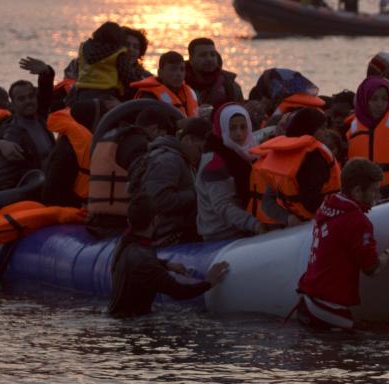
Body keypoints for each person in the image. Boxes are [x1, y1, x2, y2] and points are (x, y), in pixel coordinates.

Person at [295, 159, 389, 330]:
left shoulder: (328, 205)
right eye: (374, 191)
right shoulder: (357, 221)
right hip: (329, 311)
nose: (377, 197)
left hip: (308, 304)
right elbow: (372, 269)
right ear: (356, 191)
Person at [107, 194, 230, 318]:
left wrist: (166, 264)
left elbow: (136, 263)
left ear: (129, 221)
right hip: (132, 326)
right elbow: (178, 291)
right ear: (155, 221)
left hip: (119, 318)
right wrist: (208, 282)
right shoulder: (144, 260)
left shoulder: (123, 242)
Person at [248, 107, 341, 225]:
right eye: (322, 128)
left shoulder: (279, 155)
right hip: (319, 221)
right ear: (310, 130)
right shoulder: (315, 159)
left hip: (295, 226)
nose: (326, 132)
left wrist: (288, 218)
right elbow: (311, 201)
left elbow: (267, 203)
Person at [196, 104, 268, 241]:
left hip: (242, 225)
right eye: (232, 128)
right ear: (222, 129)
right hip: (221, 233)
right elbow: (223, 205)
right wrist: (255, 224)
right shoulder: (214, 161)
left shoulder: (249, 151)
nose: (239, 133)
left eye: (243, 127)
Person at [0, 58, 56, 190]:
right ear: (12, 105)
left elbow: (46, 94)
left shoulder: (40, 118)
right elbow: (3, 177)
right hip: (31, 191)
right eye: (21, 99)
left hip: (49, 183)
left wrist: (46, 72)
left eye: (31, 96)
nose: (28, 101)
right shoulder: (12, 131)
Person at [138, 117, 210, 245]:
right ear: (188, 140)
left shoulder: (183, 159)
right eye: (199, 150)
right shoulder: (168, 160)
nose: (201, 157)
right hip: (167, 237)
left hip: (178, 232)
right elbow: (158, 200)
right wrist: (197, 193)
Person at [73, 22, 144, 107]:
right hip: (106, 95)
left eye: (135, 47)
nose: (130, 49)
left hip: (81, 93)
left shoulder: (84, 48)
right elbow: (129, 80)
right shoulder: (118, 53)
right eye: (126, 45)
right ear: (119, 40)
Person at [131, 51, 199, 117]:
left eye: (182, 69)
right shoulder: (148, 96)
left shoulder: (190, 92)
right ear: (160, 73)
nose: (179, 74)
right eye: (173, 69)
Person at [185, 37, 245, 109]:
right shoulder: (179, 83)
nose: (209, 59)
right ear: (191, 60)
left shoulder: (231, 86)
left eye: (212, 55)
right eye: (203, 55)